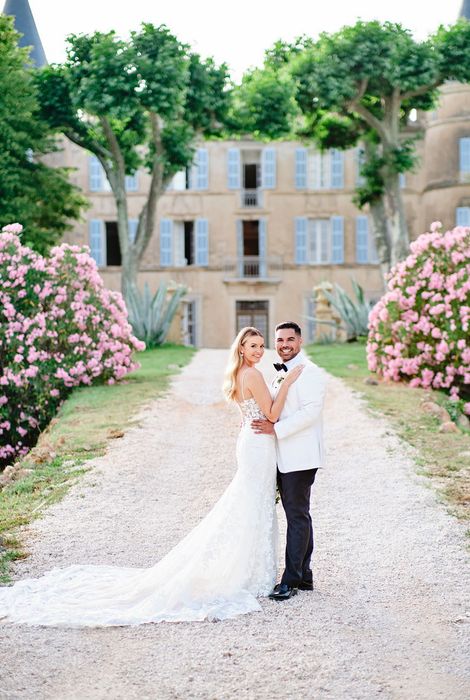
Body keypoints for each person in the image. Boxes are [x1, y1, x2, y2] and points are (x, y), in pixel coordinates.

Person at [0, 327, 301, 627]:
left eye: (262, 346)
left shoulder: (238, 375)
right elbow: (272, 415)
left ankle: (246, 567)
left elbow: (245, 415)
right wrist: (286, 383)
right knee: (252, 505)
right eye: (253, 346)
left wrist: (255, 418)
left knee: (249, 503)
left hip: (250, 440)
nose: (259, 351)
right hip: (258, 445)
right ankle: (248, 571)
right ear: (241, 349)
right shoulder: (253, 375)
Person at [252, 321, 326, 601]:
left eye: (290, 339)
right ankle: (304, 576)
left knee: (296, 516)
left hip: (301, 456)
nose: (284, 344)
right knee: (299, 514)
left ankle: (290, 580)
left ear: (300, 341)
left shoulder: (311, 373)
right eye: (280, 340)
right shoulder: (281, 373)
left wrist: (276, 429)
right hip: (284, 456)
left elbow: (310, 413)